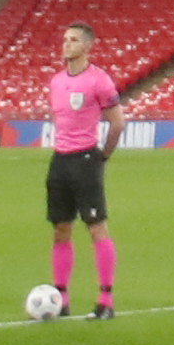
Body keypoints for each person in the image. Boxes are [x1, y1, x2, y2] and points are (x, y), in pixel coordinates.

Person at [40, 23, 123, 318]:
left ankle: (106, 299)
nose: (66, 44)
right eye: (64, 39)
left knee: (96, 227)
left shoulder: (98, 81)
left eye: (73, 40)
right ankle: (61, 297)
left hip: (86, 159)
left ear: (87, 46)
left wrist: (103, 156)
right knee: (61, 230)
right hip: (60, 160)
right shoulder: (56, 81)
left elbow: (118, 122)